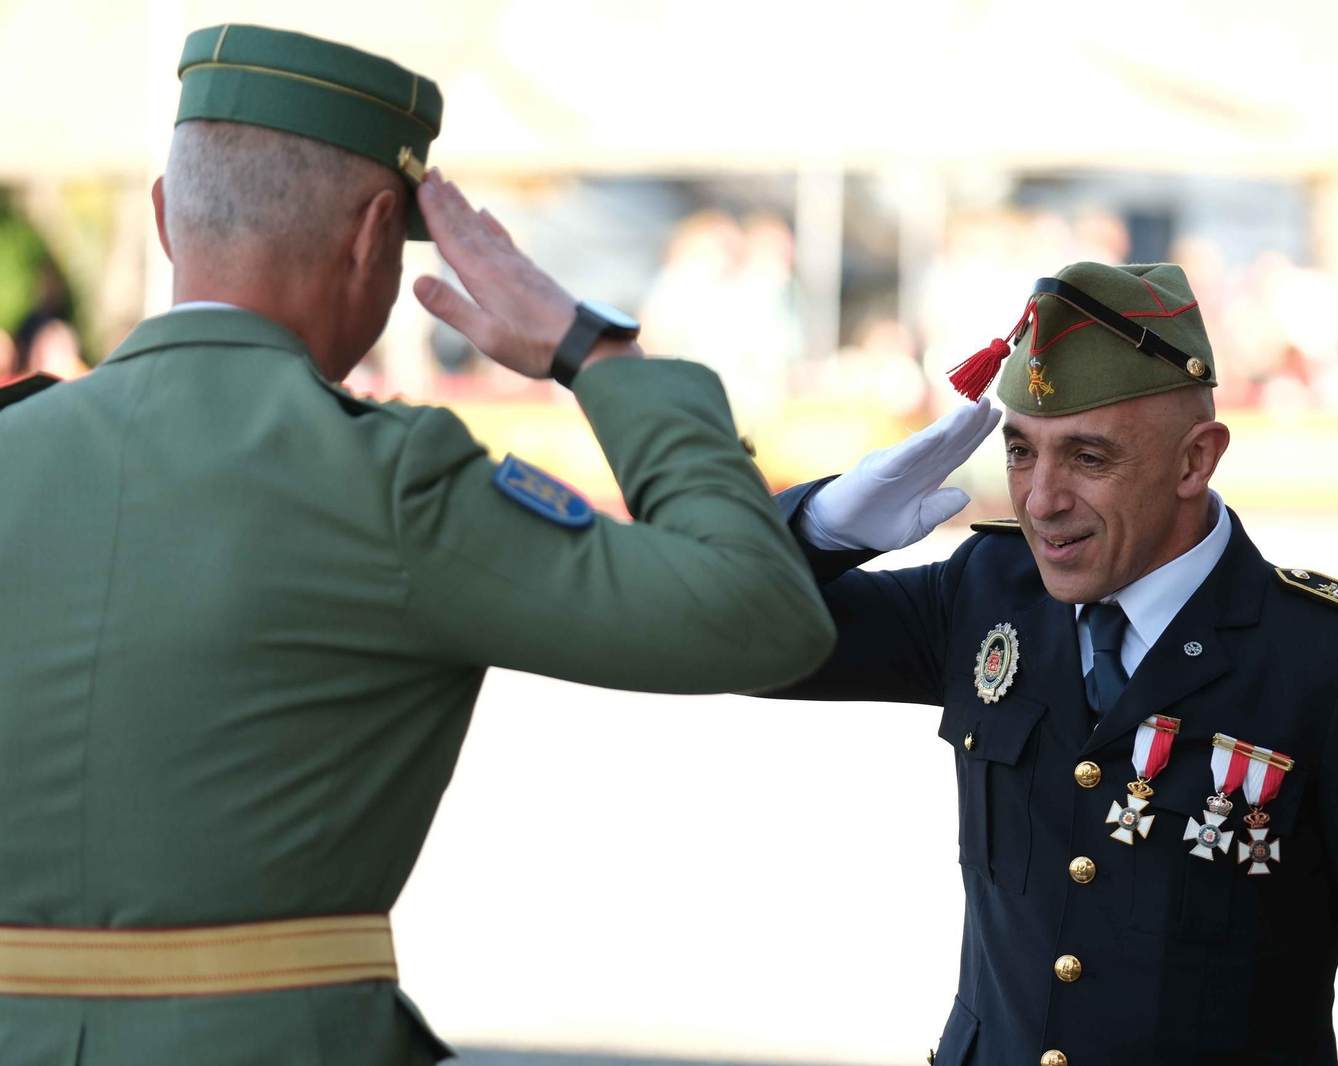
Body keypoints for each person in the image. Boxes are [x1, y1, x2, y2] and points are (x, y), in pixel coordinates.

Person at [0, 24, 833, 1065]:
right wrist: (595, 351)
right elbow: (757, 610)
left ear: (167, 218)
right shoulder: (387, 478)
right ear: (374, 235)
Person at [768, 262, 1338, 1064]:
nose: (1040, 499)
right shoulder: (989, 591)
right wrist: (819, 529)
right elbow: (737, 643)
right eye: (1020, 451)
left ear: (1195, 461)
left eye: (1088, 458)